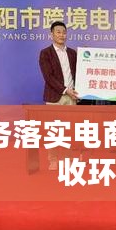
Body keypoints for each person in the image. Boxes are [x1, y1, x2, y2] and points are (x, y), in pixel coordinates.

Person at [39, 21, 79, 170]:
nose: (62, 35)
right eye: (58, 32)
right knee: (54, 130)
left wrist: (78, 90)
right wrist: (65, 90)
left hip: (72, 97)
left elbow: (78, 74)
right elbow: (48, 77)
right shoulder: (45, 53)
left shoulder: (73, 53)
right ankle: (53, 159)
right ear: (52, 35)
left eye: (64, 32)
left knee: (69, 130)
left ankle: (67, 157)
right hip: (55, 97)